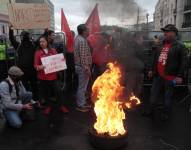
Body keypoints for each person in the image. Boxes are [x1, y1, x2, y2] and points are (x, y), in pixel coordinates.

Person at [147, 24, 187, 121]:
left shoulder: (180, 46)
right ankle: (151, 111)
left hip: (170, 76)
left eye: (167, 31)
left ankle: (166, 113)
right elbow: (155, 59)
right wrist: (151, 70)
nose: (165, 33)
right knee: (153, 93)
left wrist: (179, 76)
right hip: (158, 75)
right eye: (164, 31)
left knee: (167, 96)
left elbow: (184, 62)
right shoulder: (160, 45)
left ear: (174, 33)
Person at [34, 36, 68, 119]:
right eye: (40, 42)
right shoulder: (37, 53)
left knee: (58, 91)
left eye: (43, 41)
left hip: (54, 76)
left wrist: (62, 62)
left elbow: (58, 61)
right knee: (46, 93)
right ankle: (49, 107)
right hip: (43, 77)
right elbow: (35, 65)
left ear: (47, 42)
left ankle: (61, 106)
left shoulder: (53, 51)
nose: (41, 43)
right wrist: (40, 67)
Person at [9, 25, 38, 101]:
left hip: (31, 69)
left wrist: (46, 31)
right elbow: (11, 39)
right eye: (23, 35)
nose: (24, 37)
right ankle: (27, 101)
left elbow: (11, 39)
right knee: (25, 86)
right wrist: (10, 30)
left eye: (25, 35)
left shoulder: (33, 44)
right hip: (23, 71)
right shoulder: (19, 45)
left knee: (33, 85)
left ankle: (35, 99)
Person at [74, 24, 92, 112]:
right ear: (84, 31)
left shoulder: (78, 38)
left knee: (82, 86)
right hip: (82, 67)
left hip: (79, 66)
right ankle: (80, 105)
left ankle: (82, 102)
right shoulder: (82, 41)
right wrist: (87, 69)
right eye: (88, 30)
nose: (89, 31)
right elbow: (83, 57)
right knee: (82, 87)